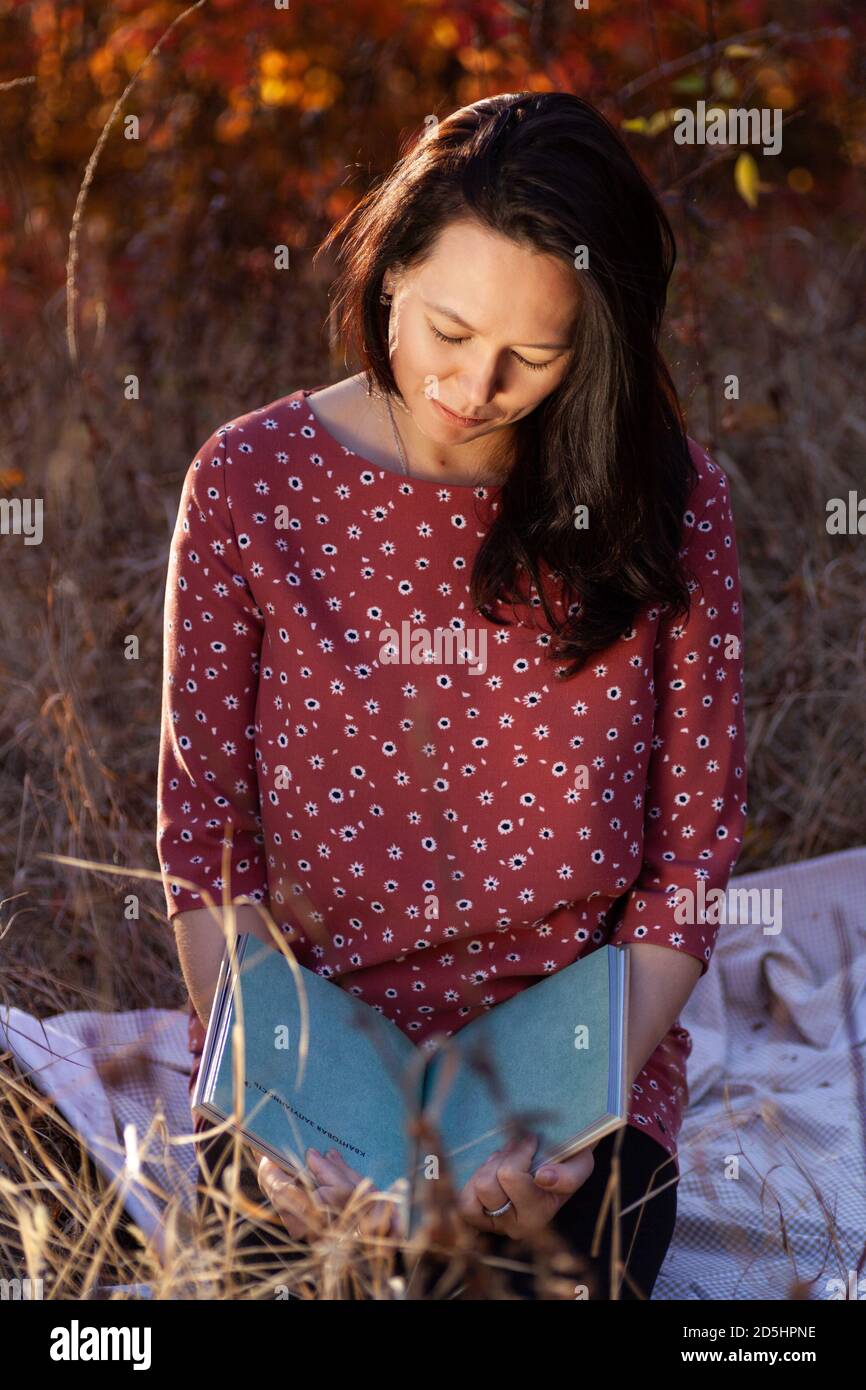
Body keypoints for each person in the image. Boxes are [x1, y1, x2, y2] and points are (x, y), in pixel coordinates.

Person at [156, 91, 747, 1299]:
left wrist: (562, 1119)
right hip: (315, 1065)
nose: (473, 387)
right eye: (446, 328)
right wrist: (279, 1111)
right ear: (389, 274)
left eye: (532, 358)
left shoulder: (670, 505)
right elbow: (204, 841)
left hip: (568, 1077)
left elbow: (687, 867)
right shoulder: (249, 483)